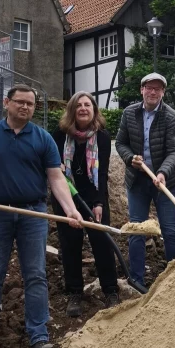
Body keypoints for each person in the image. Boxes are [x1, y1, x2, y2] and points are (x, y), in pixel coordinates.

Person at [0, 84, 83, 348]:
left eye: (31, 104)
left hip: (34, 215)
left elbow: (55, 178)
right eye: (20, 102)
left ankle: (39, 337)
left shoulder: (42, 138)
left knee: (36, 276)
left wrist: (71, 210)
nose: (26, 108)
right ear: (7, 103)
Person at [51, 91, 119, 317]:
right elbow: (52, 171)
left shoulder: (102, 137)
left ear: (94, 110)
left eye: (87, 105)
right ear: (72, 110)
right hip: (66, 198)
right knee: (70, 246)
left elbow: (102, 174)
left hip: (94, 199)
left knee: (102, 244)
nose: (83, 108)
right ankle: (75, 293)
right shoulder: (59, 136)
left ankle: (110, 290)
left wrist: (99, 202)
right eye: (78, 105)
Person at [115, 73, 175, 287]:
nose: (153, 92)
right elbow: (120, 143)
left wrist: (163, 172)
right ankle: (136, 280)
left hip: (164, 183)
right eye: (149, 88)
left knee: (170, 230)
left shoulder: (172, 117)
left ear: (163, 92)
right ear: (141, 89)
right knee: (137, 230)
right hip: (137, 181)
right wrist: (129, 158)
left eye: (158, 89)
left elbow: (174, 152)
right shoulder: (129, 113)